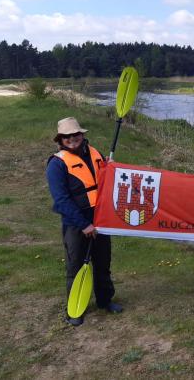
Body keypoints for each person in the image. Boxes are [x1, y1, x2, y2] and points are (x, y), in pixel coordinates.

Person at [46, 117, 122, 326]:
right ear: (61, 139)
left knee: (102, 262)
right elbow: (61, 201)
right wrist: (84, 225)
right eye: (67, 136)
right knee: (76, 265)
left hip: (101, 217)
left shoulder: (95, 153)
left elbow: (106, 179)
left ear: (82, 135)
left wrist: (111, 168)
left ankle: (105, 300)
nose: (72, 139)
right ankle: (75, 309)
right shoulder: (57, 164)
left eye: (75, 134)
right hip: (76, 221)